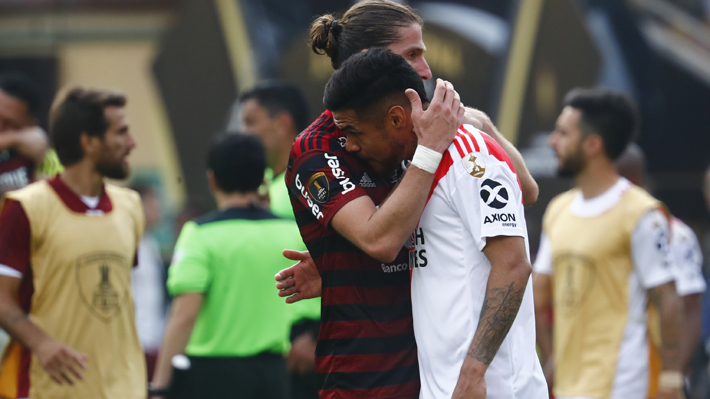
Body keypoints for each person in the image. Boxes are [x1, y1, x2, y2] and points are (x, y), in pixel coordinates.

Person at [276, 1, 538, 397]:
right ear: (373, 60)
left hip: (435, 371)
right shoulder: (321, 148)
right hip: (366, 372)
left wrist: (482, 126)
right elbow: (380, 240)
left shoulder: (436, 135)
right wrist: (341, 260)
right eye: (412, 54)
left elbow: (525, 196)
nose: (425, 69)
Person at [325, 48, 548, 398]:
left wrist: (474, 372)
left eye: (353, 131)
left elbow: (514, 265)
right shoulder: (412, 172)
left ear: (397, 119)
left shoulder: (470, 156)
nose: (349, 145)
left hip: (495, 389)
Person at [532, 88, 684, 399]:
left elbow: (668, 299)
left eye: (562, 133)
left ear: (593, 145)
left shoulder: (641, 213)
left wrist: (670, 377)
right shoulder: (558, 209)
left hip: (622, 384)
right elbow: (538, 295)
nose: (552, 142)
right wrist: (551, 359)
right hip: (568, 387)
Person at [0, 87, 145, 399]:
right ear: (88, 142)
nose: (131, 143)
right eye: (121, 133)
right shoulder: (25, 207)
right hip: (50, 389)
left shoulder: (130, 206)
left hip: (125, 388)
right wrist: (42, 343)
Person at [150, 133, 307, 398]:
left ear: (212, 179)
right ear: (262, 179)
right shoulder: (292, 231)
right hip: (275, 375)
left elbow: (184, 316)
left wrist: (160, 387)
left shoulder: (199, 234)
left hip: (214, 377)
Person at [235, 80, 320, 399]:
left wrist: (314, 334)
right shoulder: (266, 189)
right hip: (269, 346)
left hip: (308, 341)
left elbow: (341, 257)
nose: (243, 132)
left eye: (250, 122)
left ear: (281, 124)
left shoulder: (312, 183)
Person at [616, 144, 706, 382]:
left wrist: (673, 375)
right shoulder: (600, 229)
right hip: (603, 370)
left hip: (652, 368)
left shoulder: (675, 233)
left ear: (631, 179)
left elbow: (689, 308)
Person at [130, 183, 168, 381]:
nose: (158, 206)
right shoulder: (126, 243)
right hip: (136, 344)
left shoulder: (150, 243)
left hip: (154, 341)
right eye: (152, 200)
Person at [0, 73, 49, 195]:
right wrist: (13, 138)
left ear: (31, 124)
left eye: (9, 123)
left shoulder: (40, 154)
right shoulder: (15, 140)